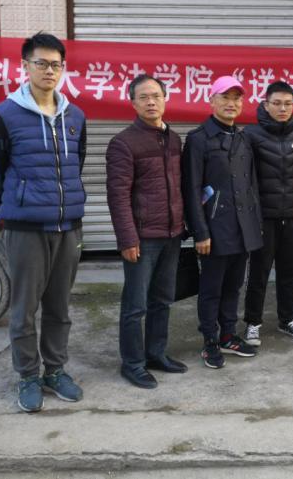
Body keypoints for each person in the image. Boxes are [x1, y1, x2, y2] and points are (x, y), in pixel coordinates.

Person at [0, 32, 86, 413]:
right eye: (41, 63)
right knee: (24, 308)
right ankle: (27, 375)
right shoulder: (3, 116)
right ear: (25, 66)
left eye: (56, 64)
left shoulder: (75, 116)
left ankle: (55, 371)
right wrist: (16, 206)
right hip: (25, 229)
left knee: (59, 307)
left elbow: (76, 164)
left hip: (68, 226)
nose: (49, 71)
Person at [106, 74, 187, 389]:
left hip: (172, 235)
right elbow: (118, 196)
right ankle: (132, 363)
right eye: (143, 97)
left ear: (165, 99)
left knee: (162, 300)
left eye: (156, 95)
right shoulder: (124, 143)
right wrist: (127, 238)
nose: (151, 102)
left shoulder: (174, 139)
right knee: (135, 305)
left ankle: (156, 354)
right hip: (142, 239)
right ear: (133, 103)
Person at [181, 76, 262, 369]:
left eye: (237, 98)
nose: (231, 103)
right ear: (211, 100)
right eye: (225, 97)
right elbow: (191, 189)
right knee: (211, 288)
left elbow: (251, 185)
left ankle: (228, 335)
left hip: (242, 228)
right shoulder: (198, 139)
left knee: (233, 286)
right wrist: (200, 232)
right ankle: (210, 341)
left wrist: (254, 225)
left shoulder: (242, 138)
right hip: (215, 229)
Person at [242, 81, 293, 344]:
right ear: (265, 105)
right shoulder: (250, 135)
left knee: (289, 272)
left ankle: (288, 319)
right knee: (259, 273)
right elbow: (245, 174)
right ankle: (253, 322)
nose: (283, 108)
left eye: (288, 103)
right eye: (277, 103)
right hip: (263, 218)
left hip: (292, 215)